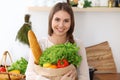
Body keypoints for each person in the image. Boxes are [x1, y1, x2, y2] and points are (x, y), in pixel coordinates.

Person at [25, 2, 90, 80]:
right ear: (51, 20)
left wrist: (75, 77)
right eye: (57, 19)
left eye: (66, 21)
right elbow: (29, 75)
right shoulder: (40, 44)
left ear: (71, 23)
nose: (61, 25)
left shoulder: (78, 45)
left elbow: (85, 77)